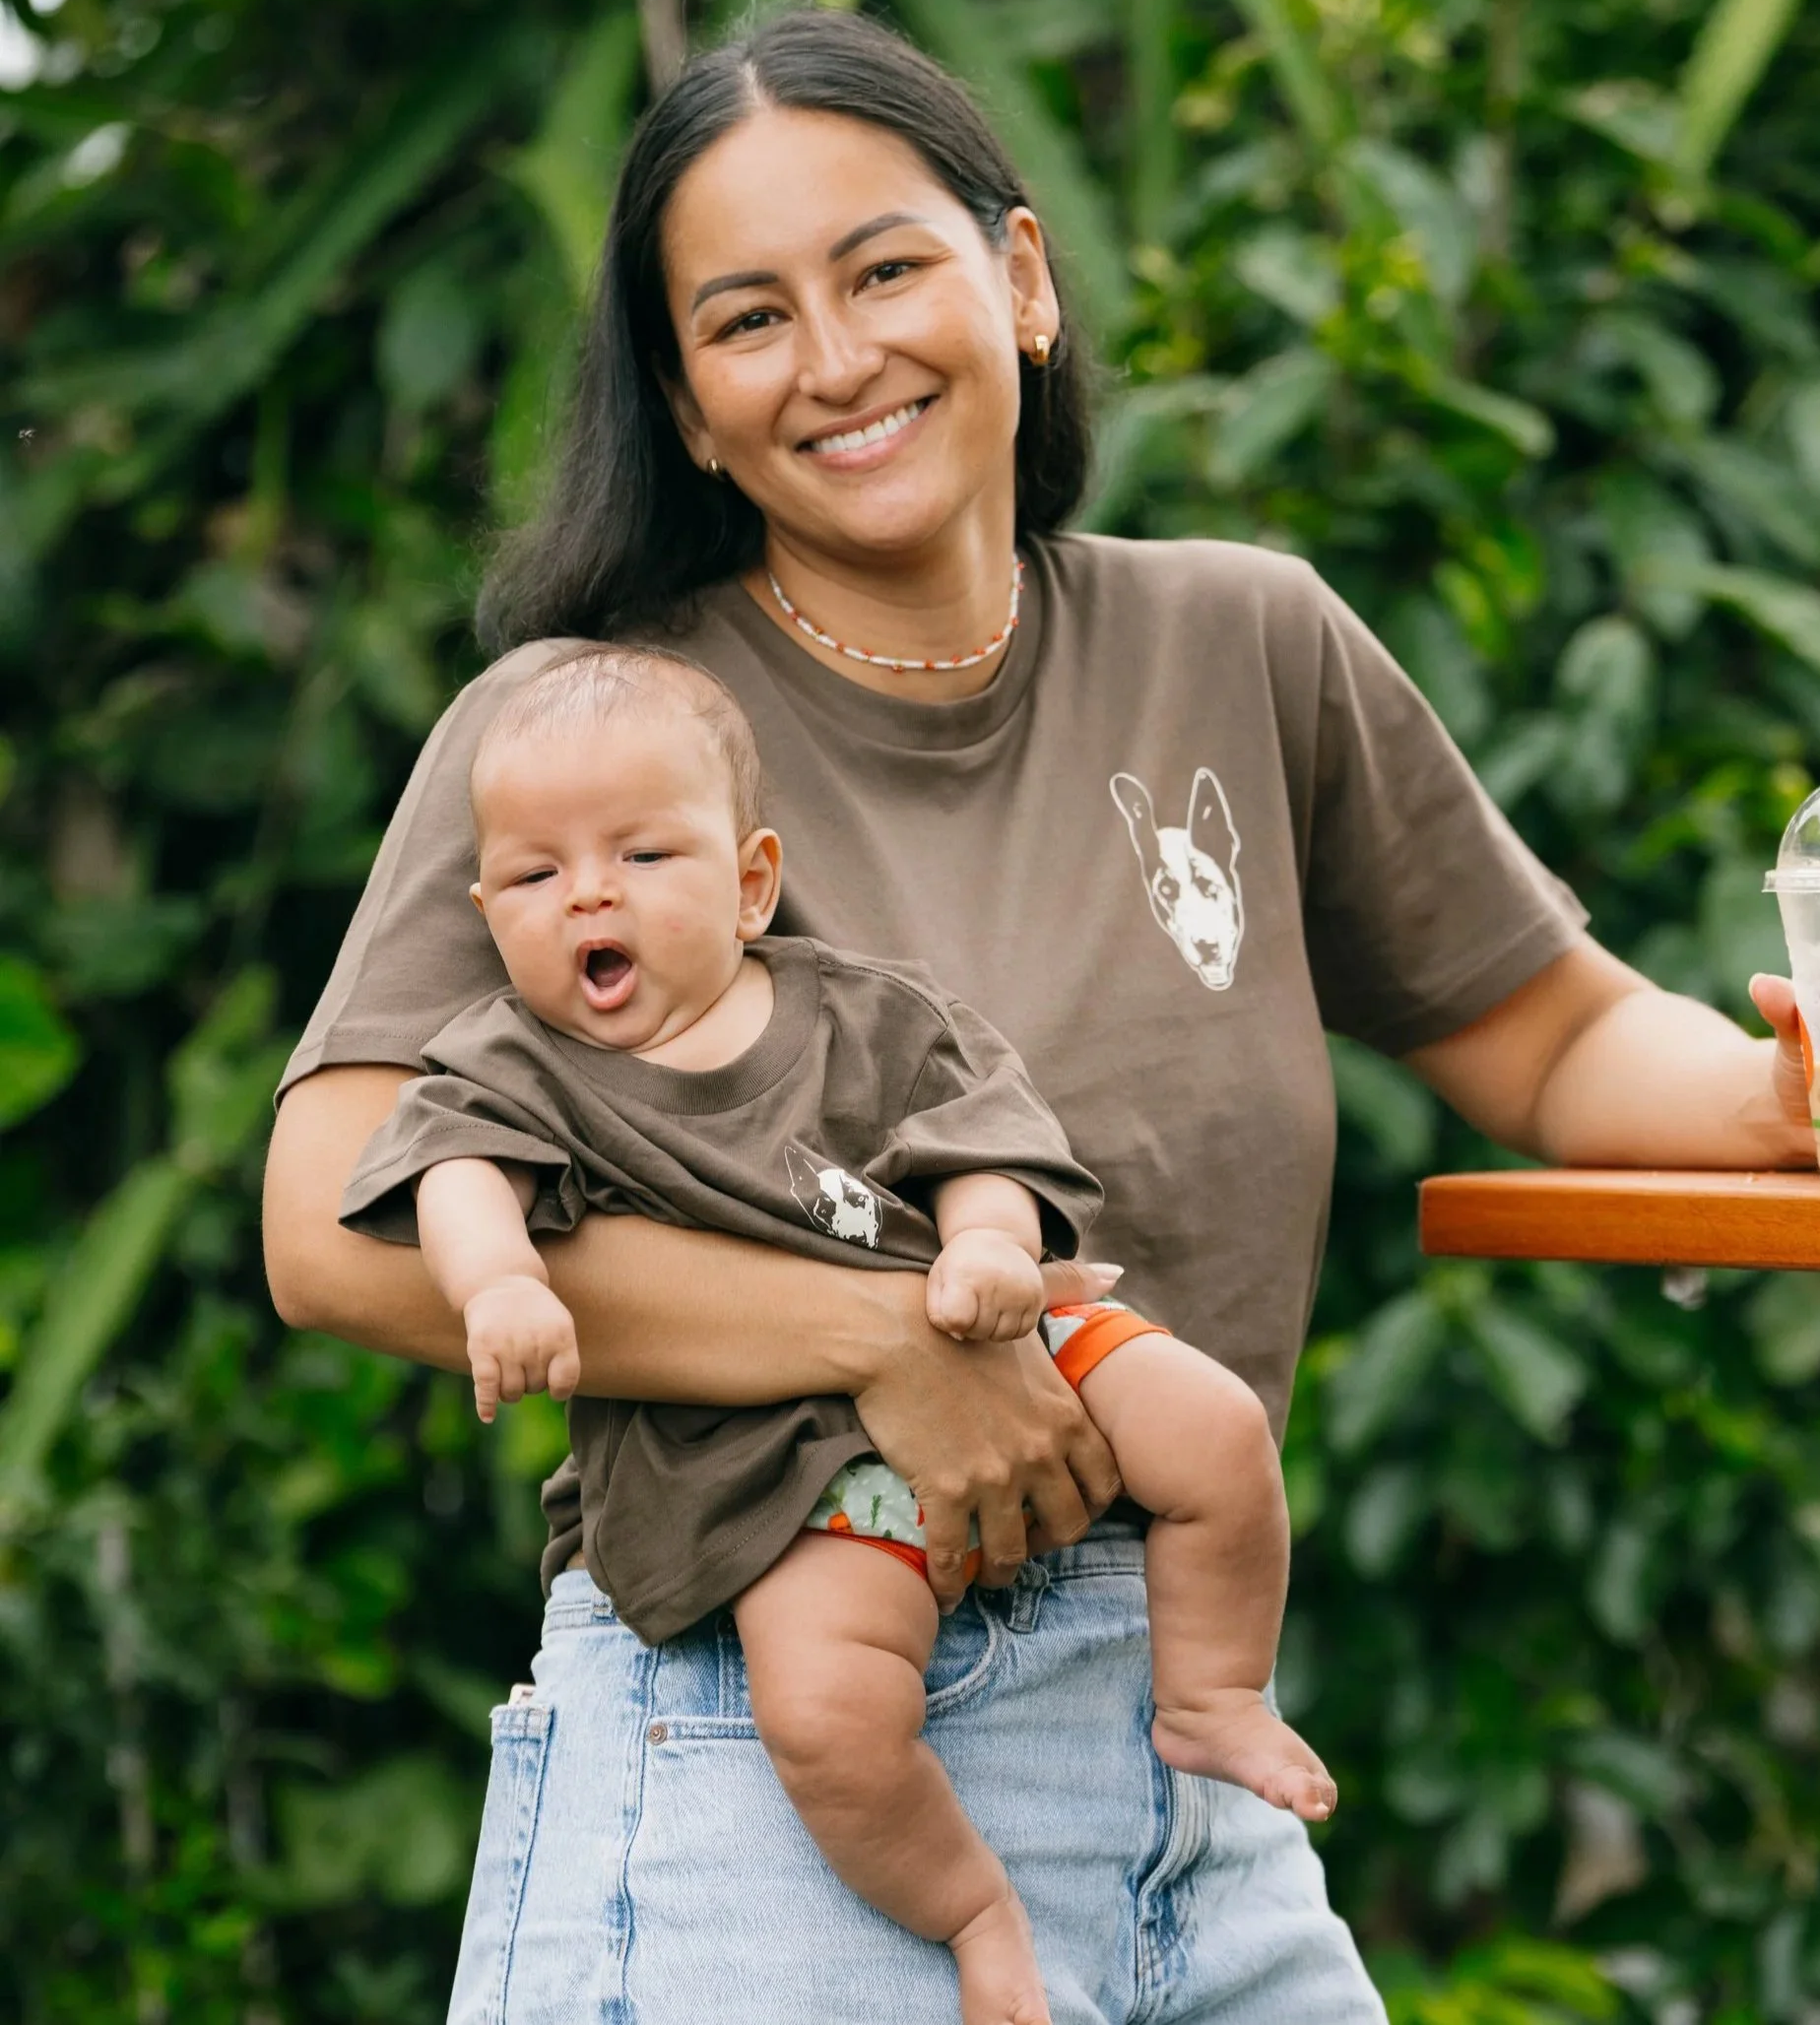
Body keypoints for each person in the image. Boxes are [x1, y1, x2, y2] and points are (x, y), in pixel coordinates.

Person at [261, 7, 1820, 2024]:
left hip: (1188, 1743)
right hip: (769, 1752)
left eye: (884, 270)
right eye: (747, 319)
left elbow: (1545, 1038)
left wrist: (1799, 1089)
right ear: (684, 405)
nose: (836, 360)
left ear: (1018, 280)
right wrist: (884, 1342)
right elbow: (334, 1225)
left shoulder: (1240, 644)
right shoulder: (589, 750)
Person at [345, 641, 1332, 2025]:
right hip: (769, 1471)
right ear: (487, 910)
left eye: (642, 854)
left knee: (1215, 1432)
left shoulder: (861, 1010)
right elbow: (452, 1176)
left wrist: (990, 1238)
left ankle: (1212, 1694)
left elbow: (986, 1137)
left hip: (1003, 1342)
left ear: (752, 879)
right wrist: (500, 1278)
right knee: (822, 1713)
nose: (587, 893)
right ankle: (970, 1907)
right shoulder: (511, 1061)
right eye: (532, 874)